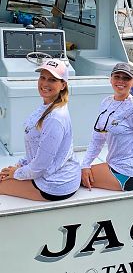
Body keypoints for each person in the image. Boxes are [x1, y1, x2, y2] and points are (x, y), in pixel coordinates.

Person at [0, 59, 81, 201]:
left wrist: (16, 173)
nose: (45, 83)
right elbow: (39, 149)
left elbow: (40, 167)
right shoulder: (49, 106)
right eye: (42, 77)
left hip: (55, 185)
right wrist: (19, 165)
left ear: (63, 85)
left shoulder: (55, 118)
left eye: (52, 80)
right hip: (51, 174)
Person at [81, 63, 133, 199]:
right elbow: (97, 139)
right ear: (110, 79)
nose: (121, 81)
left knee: (74, 178)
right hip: (113, 164)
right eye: (117, 76)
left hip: (131, 172)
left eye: (126, 78)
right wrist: (85, 164)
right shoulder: (106, 102)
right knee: (79, 172)